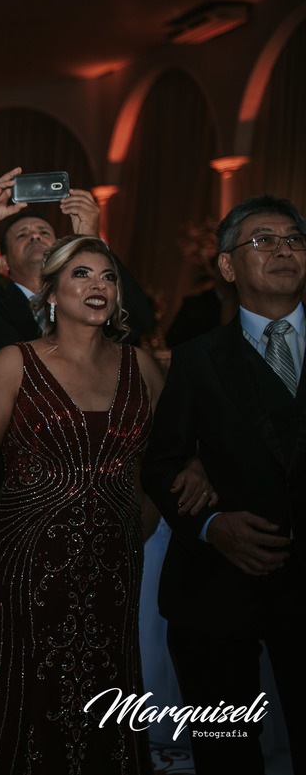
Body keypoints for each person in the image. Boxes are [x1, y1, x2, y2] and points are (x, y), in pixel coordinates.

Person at [0, 235, 211, 774]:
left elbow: (173, 453)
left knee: (106, 686)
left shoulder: (141, 366)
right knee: (30, 686)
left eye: (108, 276)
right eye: (81, 274)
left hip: (114, 563)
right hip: (26, 562)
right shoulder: (14, 362)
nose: (98, 285)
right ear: (50, 291)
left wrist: (179, 482)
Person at [141, 195, 306, 775]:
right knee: (226, 755)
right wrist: (210, 525)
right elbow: (160, 464)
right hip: (215, 593)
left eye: (294, 239)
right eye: (264, 240)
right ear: (229, 266)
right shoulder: (196, 358)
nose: (284, 249)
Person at [0, 169, 154, 355]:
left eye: (44, 232)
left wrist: (92, 241)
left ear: (61, 254)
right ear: (3, 263)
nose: (35, 236)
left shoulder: (86, 298)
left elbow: (139, 320)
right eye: (22, 235)